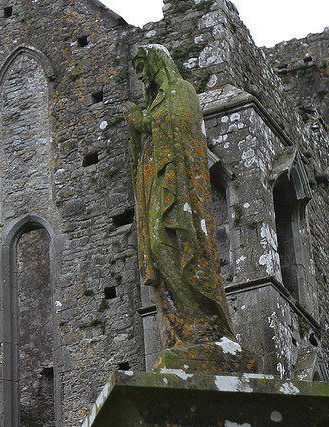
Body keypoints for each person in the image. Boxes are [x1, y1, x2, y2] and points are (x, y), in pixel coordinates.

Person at [124, 45, 235, 352]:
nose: (142, 75)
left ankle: (204, 322)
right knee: (157, 251)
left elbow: (180, 123)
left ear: (158, 62)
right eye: (137, 71)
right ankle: (182, 325)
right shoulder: (154, 102)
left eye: (144, 67)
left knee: (166, 244)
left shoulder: (181, 90)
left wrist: (142, 122)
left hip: (174, 183)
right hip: (152, 181)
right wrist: (138, 131)